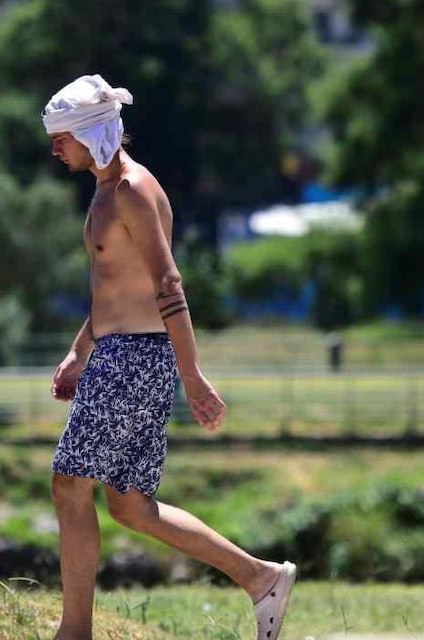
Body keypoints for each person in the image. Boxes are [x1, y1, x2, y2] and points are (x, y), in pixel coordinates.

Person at [42, 74, 296, 640]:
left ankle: (74, 633)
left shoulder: (131, 190)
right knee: (131, 505)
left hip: (135, 360)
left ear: (90, 133)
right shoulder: (106, 190)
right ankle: (261, 578)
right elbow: (114, 292)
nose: (55, 149)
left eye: (62, 138)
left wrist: (193, 375)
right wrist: (79, 351)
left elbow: (168, 283)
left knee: (69, 484)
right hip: (120, 353)